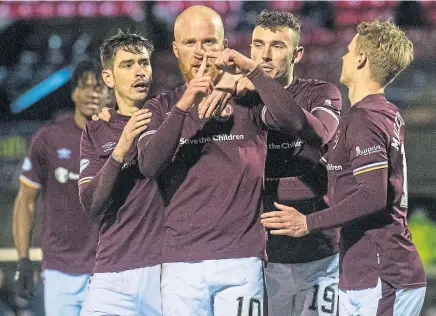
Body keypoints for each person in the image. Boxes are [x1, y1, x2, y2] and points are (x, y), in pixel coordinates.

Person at [136, 5, 300, 316]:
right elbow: (148, 165)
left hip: (242, 259)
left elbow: (295, 122)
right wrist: (185, 104)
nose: (200, 52)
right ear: (175, 50)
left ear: (224, 47)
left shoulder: (249, 99)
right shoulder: (162, 107)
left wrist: (252, 74)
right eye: (189, 43)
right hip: (181, 262)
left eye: (209, 42)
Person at [261, 20, 427, 315]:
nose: (343, 57)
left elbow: (372, 196)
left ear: (361, 59)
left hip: (383, 273)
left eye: (350, 52)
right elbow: (332, 177)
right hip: (370, 273)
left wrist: (307, 223)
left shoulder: (366, 119)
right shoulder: (379, 113)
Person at [234, 10, 342, 316]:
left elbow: (317, 133)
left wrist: (258, 80)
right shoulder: (238, 100)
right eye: (258, 44)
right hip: (260, 261)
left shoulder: (321, 93)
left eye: (277, 46)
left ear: (297, 53)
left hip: (319, 256)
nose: (264, 54)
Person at [13, 60, 111, 316]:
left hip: (108, 269)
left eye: (99, 87)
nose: (93, 93)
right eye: (85, 86)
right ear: (73, 92)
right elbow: (26, 200)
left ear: (110, 92)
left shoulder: (121, 137)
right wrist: (23, 258)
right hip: (60, 269)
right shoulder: (48, 139)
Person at [78, 30, 162, 316]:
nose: (139, 71)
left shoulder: (171, 117)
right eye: (128, 65)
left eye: (144, 63)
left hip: (165, 272)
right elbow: (91, 203)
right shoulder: (95, 130)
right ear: (108, 78)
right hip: (111, 273)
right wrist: (120, 149)